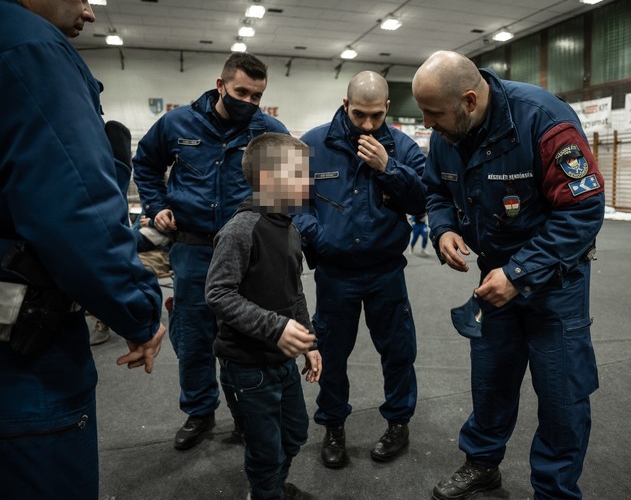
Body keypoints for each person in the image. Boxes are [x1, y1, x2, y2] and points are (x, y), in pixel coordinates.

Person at [412, 51, 604, 500]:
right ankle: (481, 463)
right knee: (491, 381)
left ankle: (554, 491)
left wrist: (519, 273)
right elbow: (435, 190)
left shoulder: (543, 120)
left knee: (561, 398)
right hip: (492, 281)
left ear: (471, 101)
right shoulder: (446, 133)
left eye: (434, 114)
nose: (428, 125)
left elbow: (583, 210)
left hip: (555, 285)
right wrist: (442, 230)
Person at [0, 0, 166, 499]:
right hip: (21, 360)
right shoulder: (28, 47)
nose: (90, 11)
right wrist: (140, 311)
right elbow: (78, 212)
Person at [133, 52, 289, 451]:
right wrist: (157, 206)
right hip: (193, 251)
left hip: (247, 256)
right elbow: (147, 164)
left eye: (257, 95)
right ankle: (199, 412)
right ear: (221, 86)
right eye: (241, 92)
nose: (249, 102)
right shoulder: (177, 124)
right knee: (193, 337)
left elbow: (287, 187)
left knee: (248, 339)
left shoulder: (269, 131)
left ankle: (246, 414)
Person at [293, 71, 426, 468]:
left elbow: (424, 201)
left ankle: (398, 423)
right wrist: (318, 237)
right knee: (330, 354)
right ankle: (333, 426)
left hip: (386, 271)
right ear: (345, 103)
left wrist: (389, 168)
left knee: (399, 351)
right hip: (334, 275)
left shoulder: (404, 147)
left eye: (375, 116)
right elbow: (289, 203)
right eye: (359, 115)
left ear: (387, 108)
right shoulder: (311, 145)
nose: (367, 124)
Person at [206, 133, 321, 500]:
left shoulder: (289, 228)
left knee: (295, 433)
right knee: (265, 448)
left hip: (282, 359)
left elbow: (294, 291)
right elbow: (218, 293)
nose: (309, 180)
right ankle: (266, 490)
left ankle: (271, 486)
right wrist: (276, 328)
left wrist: (310, 341)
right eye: (300, 173)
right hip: (248, 366)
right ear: (270, 179)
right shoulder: (240, 230)